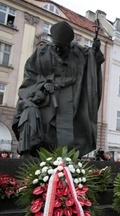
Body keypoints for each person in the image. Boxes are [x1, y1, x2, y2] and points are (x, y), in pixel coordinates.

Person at [12, 21, 104, 158]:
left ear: (69, 45)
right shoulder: (42, 52)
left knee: (69, 133)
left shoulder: (78, 52)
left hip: (71, 95)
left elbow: (92, 60)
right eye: (56, 46)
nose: (58, 50)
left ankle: (66, 162)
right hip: (48, 96)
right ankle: (41, 158)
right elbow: (31, 74)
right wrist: (42, 85)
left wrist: (96, 52)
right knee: (46, 127)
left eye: (62, 47)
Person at [12, 90, 47, 158]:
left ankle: (31, 151)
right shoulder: (23, 102)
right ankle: (25, 153)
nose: (39, 101)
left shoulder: (36, 106)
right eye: (38, 98)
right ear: (34, 95)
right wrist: (20, 116)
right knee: (26, 136)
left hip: (35, 123)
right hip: (26, 122)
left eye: (40, 101)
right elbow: (18, 113)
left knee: (34, 136)